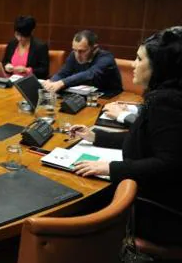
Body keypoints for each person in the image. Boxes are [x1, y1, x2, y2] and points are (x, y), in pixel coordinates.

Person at [71, 26, 182, 248]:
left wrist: (111, 168)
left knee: (78, 201)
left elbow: (170, 164)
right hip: (159, 200)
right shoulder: (168, 96)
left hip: (160, 213)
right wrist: (96, 136)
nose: (133, 64)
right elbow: (145, 140)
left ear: (158, 67)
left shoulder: (166, 102)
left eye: (139, 59)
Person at [43, 30, 122, 95]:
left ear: (94, 48)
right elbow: (63, 73)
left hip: (108, 97)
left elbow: (90, 74)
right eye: (74, 50)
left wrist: (61, 83)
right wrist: (51, 82)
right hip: (85, 95)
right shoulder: (74, 54)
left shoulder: (106, 58)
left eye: (82, 51)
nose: (77, 55)